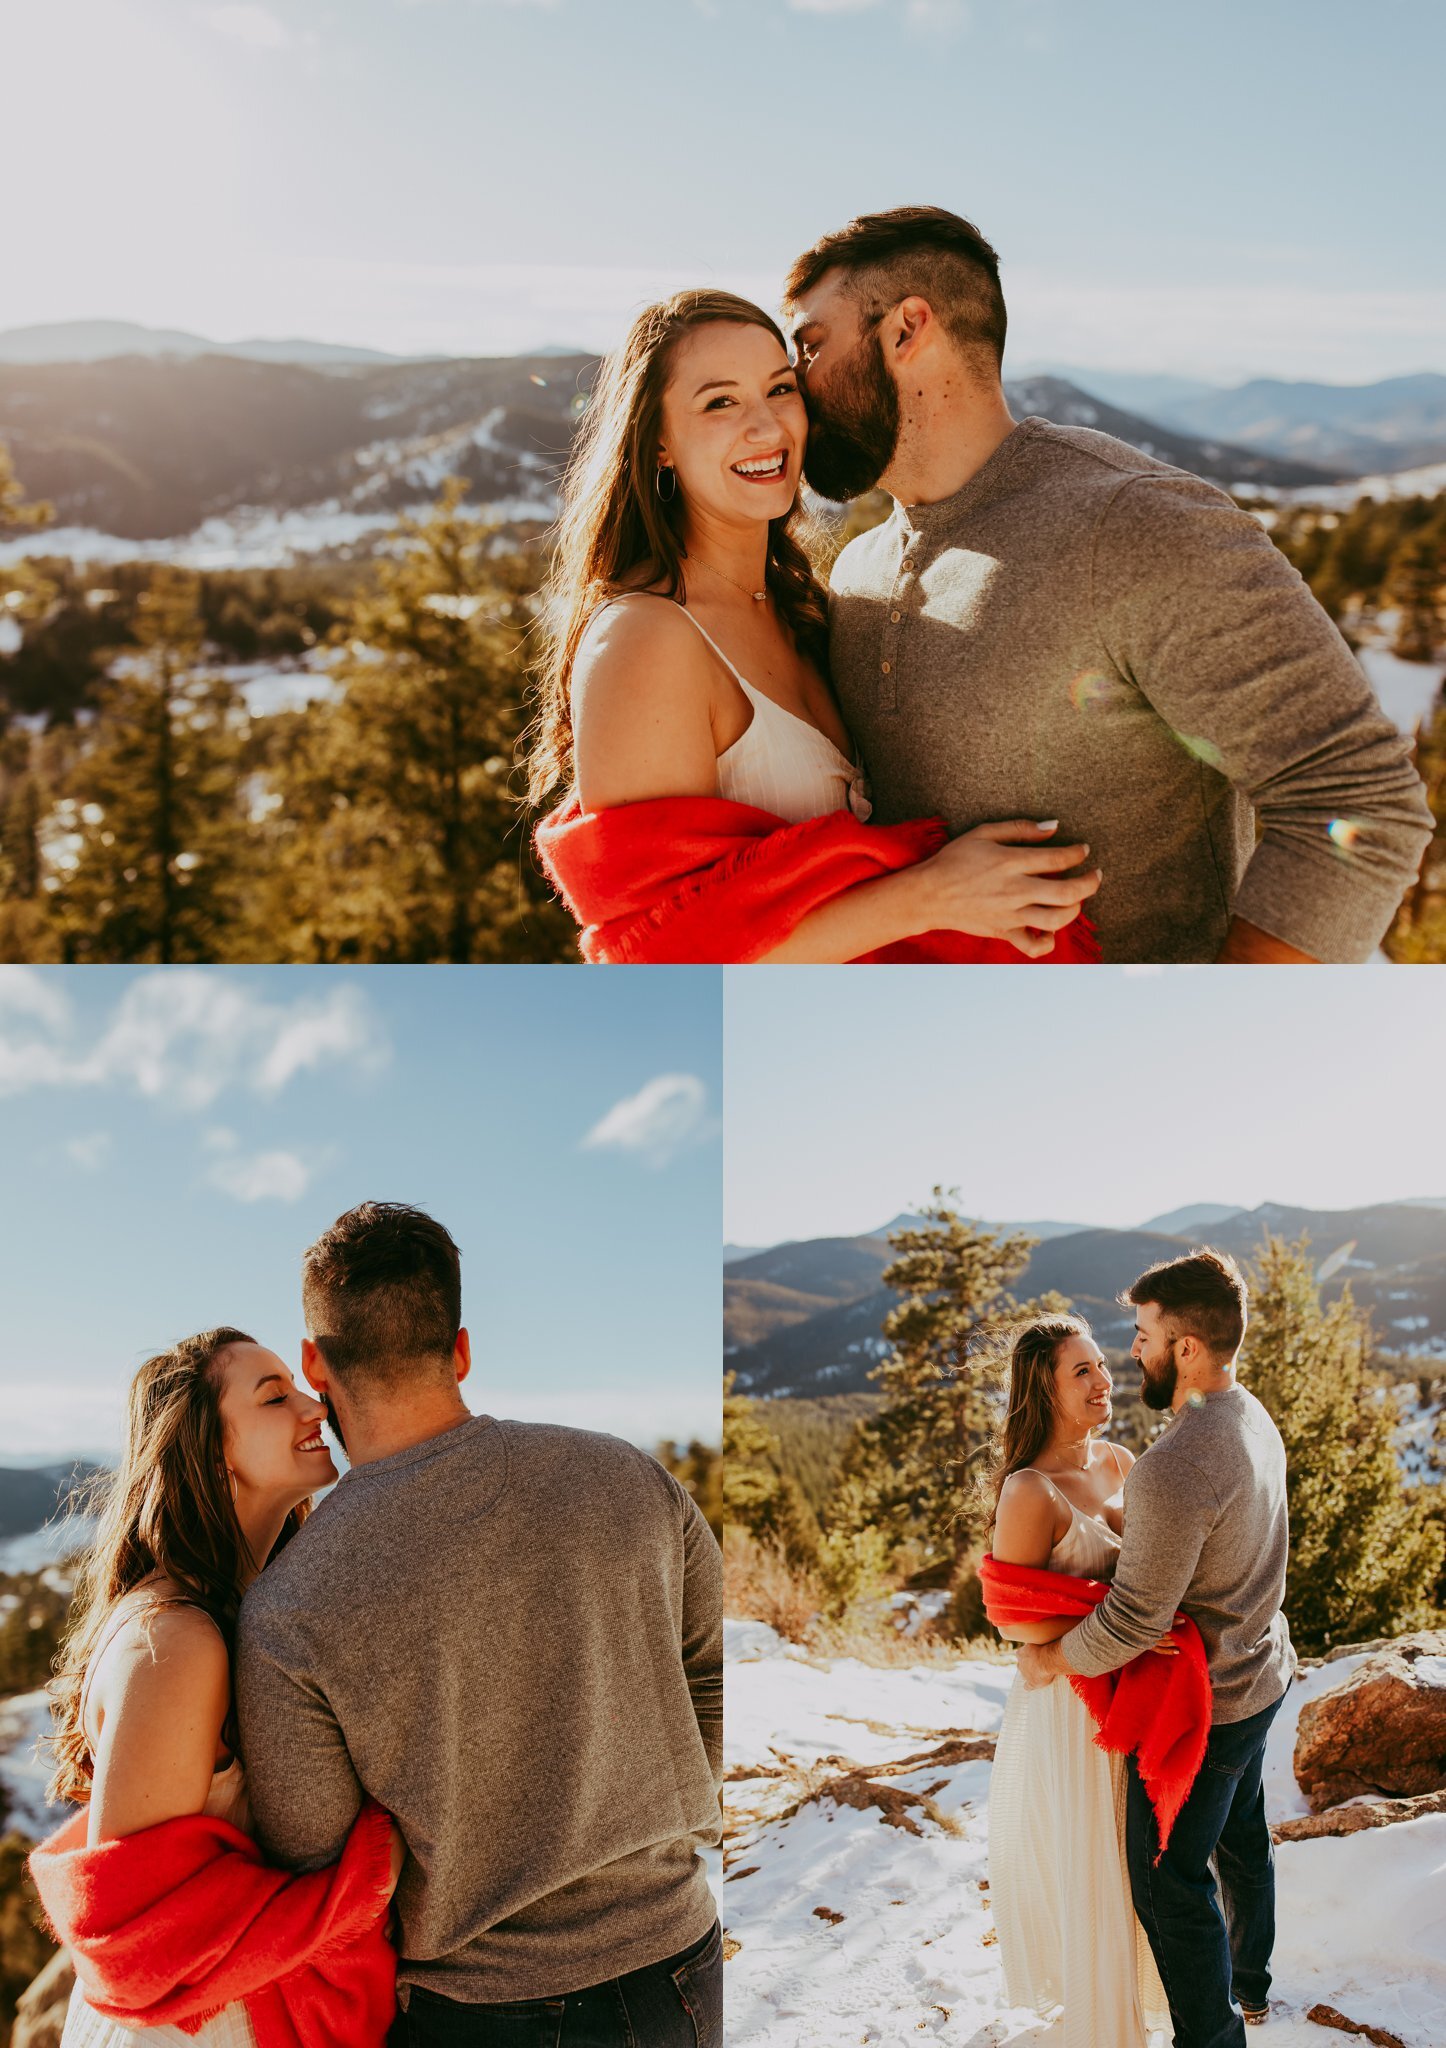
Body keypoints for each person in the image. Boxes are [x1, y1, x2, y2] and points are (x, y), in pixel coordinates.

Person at [783, 205, 1435, 964]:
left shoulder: (1135, 523)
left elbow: (1361, 801)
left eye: (810, 346)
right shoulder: (858, 568)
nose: (794, 385)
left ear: (906, 329)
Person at [234, 1201, 724, 2048]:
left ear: (316, 1362)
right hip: (680, 1961)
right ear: (460, 1348)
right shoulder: (629, 1478)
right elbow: (709, 1686)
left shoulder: (288, 1604)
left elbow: (321, 1867)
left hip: (478, 2012)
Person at [528, 287, 1101, 963]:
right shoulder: (647, 638)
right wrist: (933, 896)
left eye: (779, 389)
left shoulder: (804, 609)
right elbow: (658, 958)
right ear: (657, 442)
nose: (767, 427)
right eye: (719, 402)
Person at [37, 1329, 400, 2048]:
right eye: (275, 1396)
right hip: (196, 2030)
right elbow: (137, 1934)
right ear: (208, 1449)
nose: (314, 1405)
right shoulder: (176, 1639)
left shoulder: (243, 1607)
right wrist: (367, 1878)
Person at [1017, 1251, 1296, 2048]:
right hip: (1264, 1671)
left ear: (1185, 1349)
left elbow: (1136, 1620)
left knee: (1169, 1882)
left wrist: (1051, 1660)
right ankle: (1251, 1982)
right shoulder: (1252, 1414)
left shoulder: (1171, 1466)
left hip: (1212, 1708)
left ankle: (1212, 2038)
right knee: (1241, 1841)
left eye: (1141, 1335)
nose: (1130, 1352)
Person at [985, 1315, 1171, 2048]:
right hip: (1071, 1706)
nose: (1103, 1382)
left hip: (1142, 1692)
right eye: (1082, 1373)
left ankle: (1141, 2003)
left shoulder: (1123, 1462)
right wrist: (1105, 1625)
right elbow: (1012, 1620)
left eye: (1101, 1366)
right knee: (1095, 1861)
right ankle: (1105, 2028)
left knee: (1144, 1864)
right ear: (1045, 1388)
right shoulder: (1029, 1490)